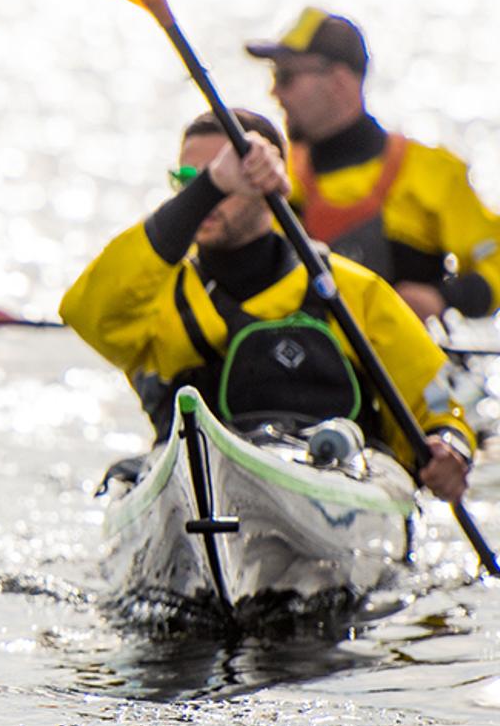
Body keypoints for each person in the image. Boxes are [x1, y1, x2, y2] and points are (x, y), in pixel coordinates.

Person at [61, 108, 474, 502]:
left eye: (224, 179)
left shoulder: (354, 292)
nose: (204, 195)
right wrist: (211, 187)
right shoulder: (155, 295)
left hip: (331, 490)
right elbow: (85, 312)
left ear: (265, 182)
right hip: (198, 494)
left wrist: (450, 445)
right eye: (189, 181)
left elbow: (436, 401)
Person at [251, 7, 500, 324]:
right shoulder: (274, 176)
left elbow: (496, 260)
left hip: (399, 362)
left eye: (285, 77)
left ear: (339, 82)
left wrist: (444, 297)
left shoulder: (432, 172)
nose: (274, 93)